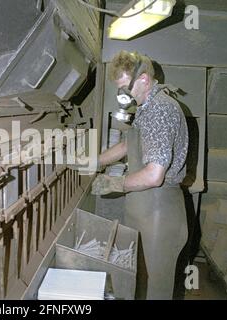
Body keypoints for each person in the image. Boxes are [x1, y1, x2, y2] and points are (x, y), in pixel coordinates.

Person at [92, 50, 189, 300]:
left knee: (158, 286)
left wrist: (115, 182)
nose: (123, 94)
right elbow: (128, 144)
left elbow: (154, 175)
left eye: (126, 87)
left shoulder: (161, 109)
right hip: (142, 203)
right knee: (131, 270)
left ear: (144, 79)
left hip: (159, 207)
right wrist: (94, 161)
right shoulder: (146, 107)